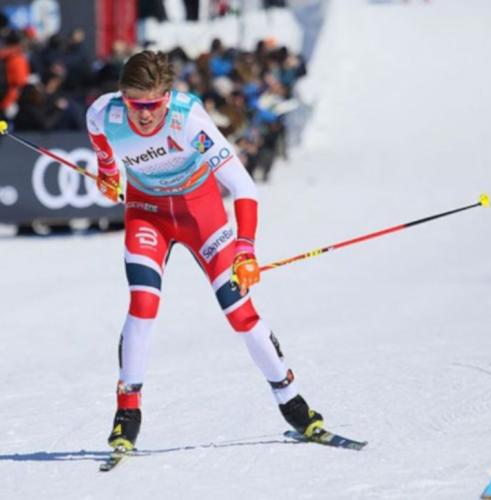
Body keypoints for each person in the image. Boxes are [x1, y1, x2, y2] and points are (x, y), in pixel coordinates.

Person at [85, 51, 331, 453]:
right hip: (147, 214)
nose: (144, 114)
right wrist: (109, 172)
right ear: (121, 96)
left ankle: (295, 405)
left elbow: (243, 186)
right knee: (143, 304)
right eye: (135, 103)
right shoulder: (105, 113)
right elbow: (97, 135)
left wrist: (246, 250)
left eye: (153, 104)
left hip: (200, 213)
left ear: (167, 95)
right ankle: (127, 415)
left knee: (239, 312)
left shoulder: (188, 122)